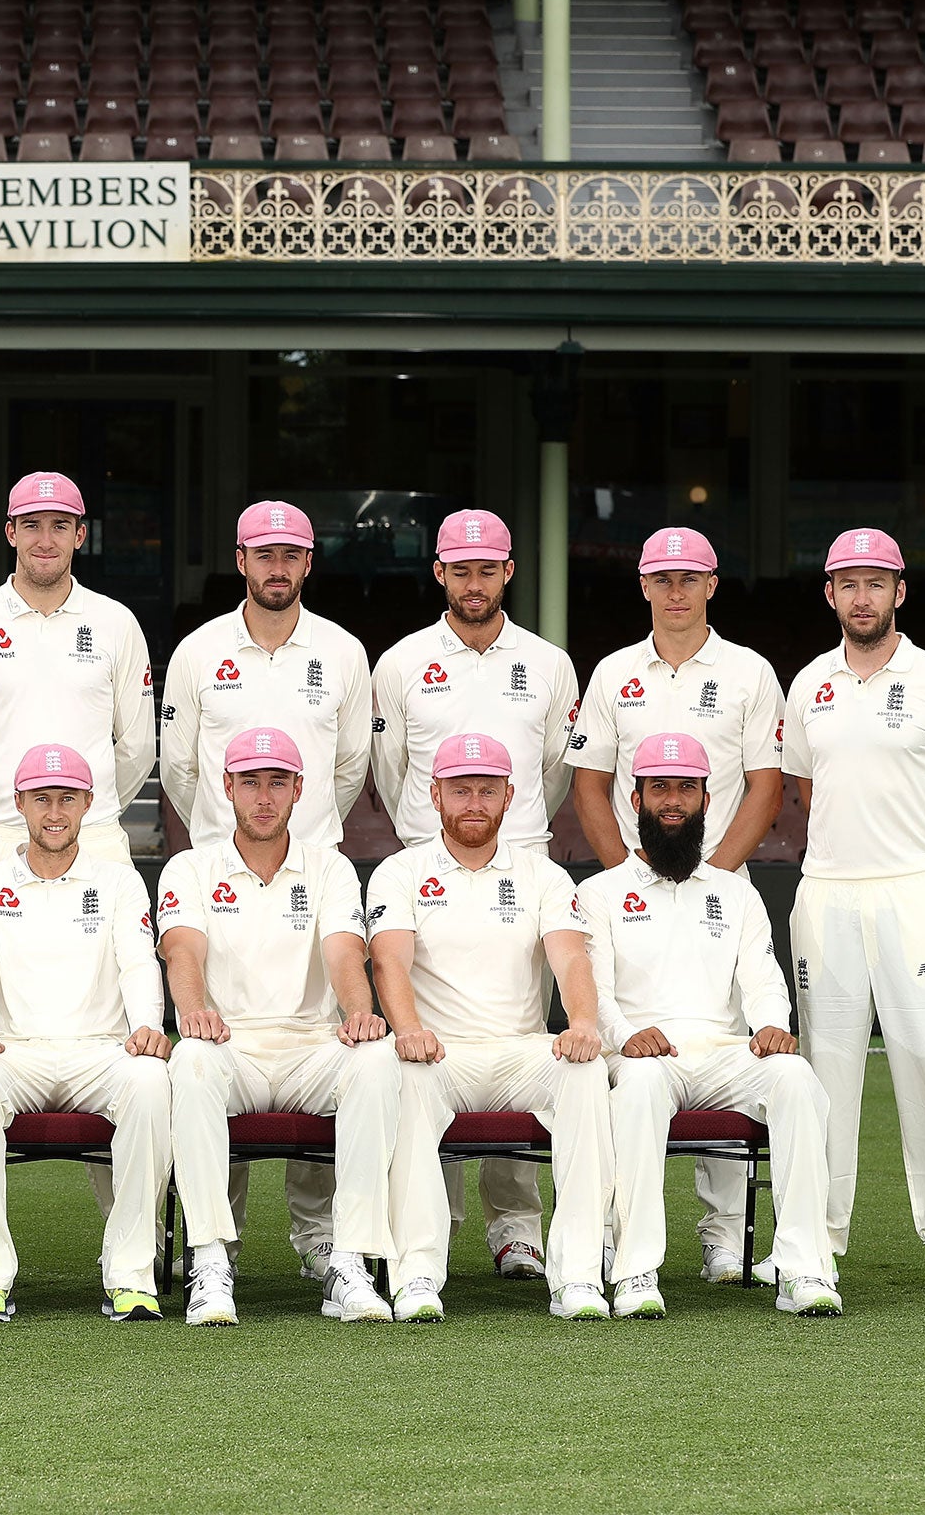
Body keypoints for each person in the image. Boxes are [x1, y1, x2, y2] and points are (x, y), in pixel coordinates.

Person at [565, 525, 787, 1286]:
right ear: (643, 586)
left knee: (728, 1045)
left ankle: (725, 1236)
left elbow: (766, 785)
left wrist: (704, 876)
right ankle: (615, 1234)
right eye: (663, 579)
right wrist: (636, 878)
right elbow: (591, 784)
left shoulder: (752, 672)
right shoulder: (613, 673)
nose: (677, 591)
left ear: (713, 585)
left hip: (720, 889)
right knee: (622, 1055)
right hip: (636, 889)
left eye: (690, 578)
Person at [159, 498, 372, 1284]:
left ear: (308, 563)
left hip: (311, 868)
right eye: (263, 554)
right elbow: (180, 767)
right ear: (240, 560)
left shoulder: (344, 652)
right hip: (222, 868)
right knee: (212, 1044)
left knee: (336, 1037)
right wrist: (226, 835)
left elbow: (348, 769)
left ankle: (326, 1242)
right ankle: (220, 1245)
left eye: (291, 555)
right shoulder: (198, 650)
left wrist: (302, 833)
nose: (277, 567)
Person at [369, 508, 580, 1281]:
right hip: (428, 868)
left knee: (515, 1035)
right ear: (439, 575)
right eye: (460, 570)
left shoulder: (549, 664)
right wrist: (431, 839)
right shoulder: (399, 662)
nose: (474, 583)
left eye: (487, 569)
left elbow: (553, 771)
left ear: (509, 572)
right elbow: (389, 772)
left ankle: (516, 1229)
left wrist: (511, 835)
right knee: (427, 1041)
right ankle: (436, 1224)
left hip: (520, 865)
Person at [785, 527, 925, 1293]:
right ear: (830, 594)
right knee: (823, 1073)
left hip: (916, 893)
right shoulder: (807, 683)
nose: (863, 596)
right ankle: (816, 1239)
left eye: (877, 582)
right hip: (828, 894)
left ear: (900, 592)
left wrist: (918, 856)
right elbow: (808, 793)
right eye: (849, 583)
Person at [578, 732, 842, 1320]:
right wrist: (624, 1036)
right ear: (635, 796)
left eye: (686, 789)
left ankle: (804, 1268)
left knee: (795, 1078)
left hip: (722, 1052)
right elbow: (589, 990)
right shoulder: (598, 893)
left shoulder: (737, 894)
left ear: (706, 798)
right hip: (640, 1053)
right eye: (660, 789)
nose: (673, 801)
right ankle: (634, 1269)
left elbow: (763, 976)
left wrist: (772, 1024)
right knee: (643, 1083)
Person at [157, 726, 400, 1327]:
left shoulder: (331, 869)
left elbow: (346, 953)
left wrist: (360, 1013)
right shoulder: (188, 868)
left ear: (299, 789)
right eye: (249, 783)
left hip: (310, 1047)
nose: (262, 797)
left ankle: (350, 1261)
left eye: (276, 783)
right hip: (228, 1044)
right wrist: (192, 1013)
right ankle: (210, 1261)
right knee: (188, 1061)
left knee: (375, 1059)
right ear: (226, 787)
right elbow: (181, 950)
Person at [370, 731, 612, 1322]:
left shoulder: (543, 876)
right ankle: (418, 1274)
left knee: (586, 1074)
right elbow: (388, 960)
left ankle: (578, 1274)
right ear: (435, 795)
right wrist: (407, 1030)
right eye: (460, 790)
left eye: (486, 790)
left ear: (509, 796)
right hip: (438, 1053)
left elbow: (571, 956)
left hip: (518, 1051)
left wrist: (582, 1022)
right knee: (402, 1078)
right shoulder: (400, 872)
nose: (472, 803)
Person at [0, 743, 171, 1322]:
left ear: (88, 804)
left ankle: (130, 1274)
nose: (54, 813)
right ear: (19, 802)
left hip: (98, 1052)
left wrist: (147, 1025)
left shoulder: (120, 883)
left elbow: (139, 963)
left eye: (66, 799)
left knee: (149, 1079)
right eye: (41, 799)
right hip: (12, 1053)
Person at [0, 471, 155, 888]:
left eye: (60, 526)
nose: (46, 541)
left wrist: (85, 809)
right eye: (32, 525)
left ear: (81, 535)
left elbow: (137, 748)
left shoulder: (116, 622)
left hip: (94, 840)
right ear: (10, 532)